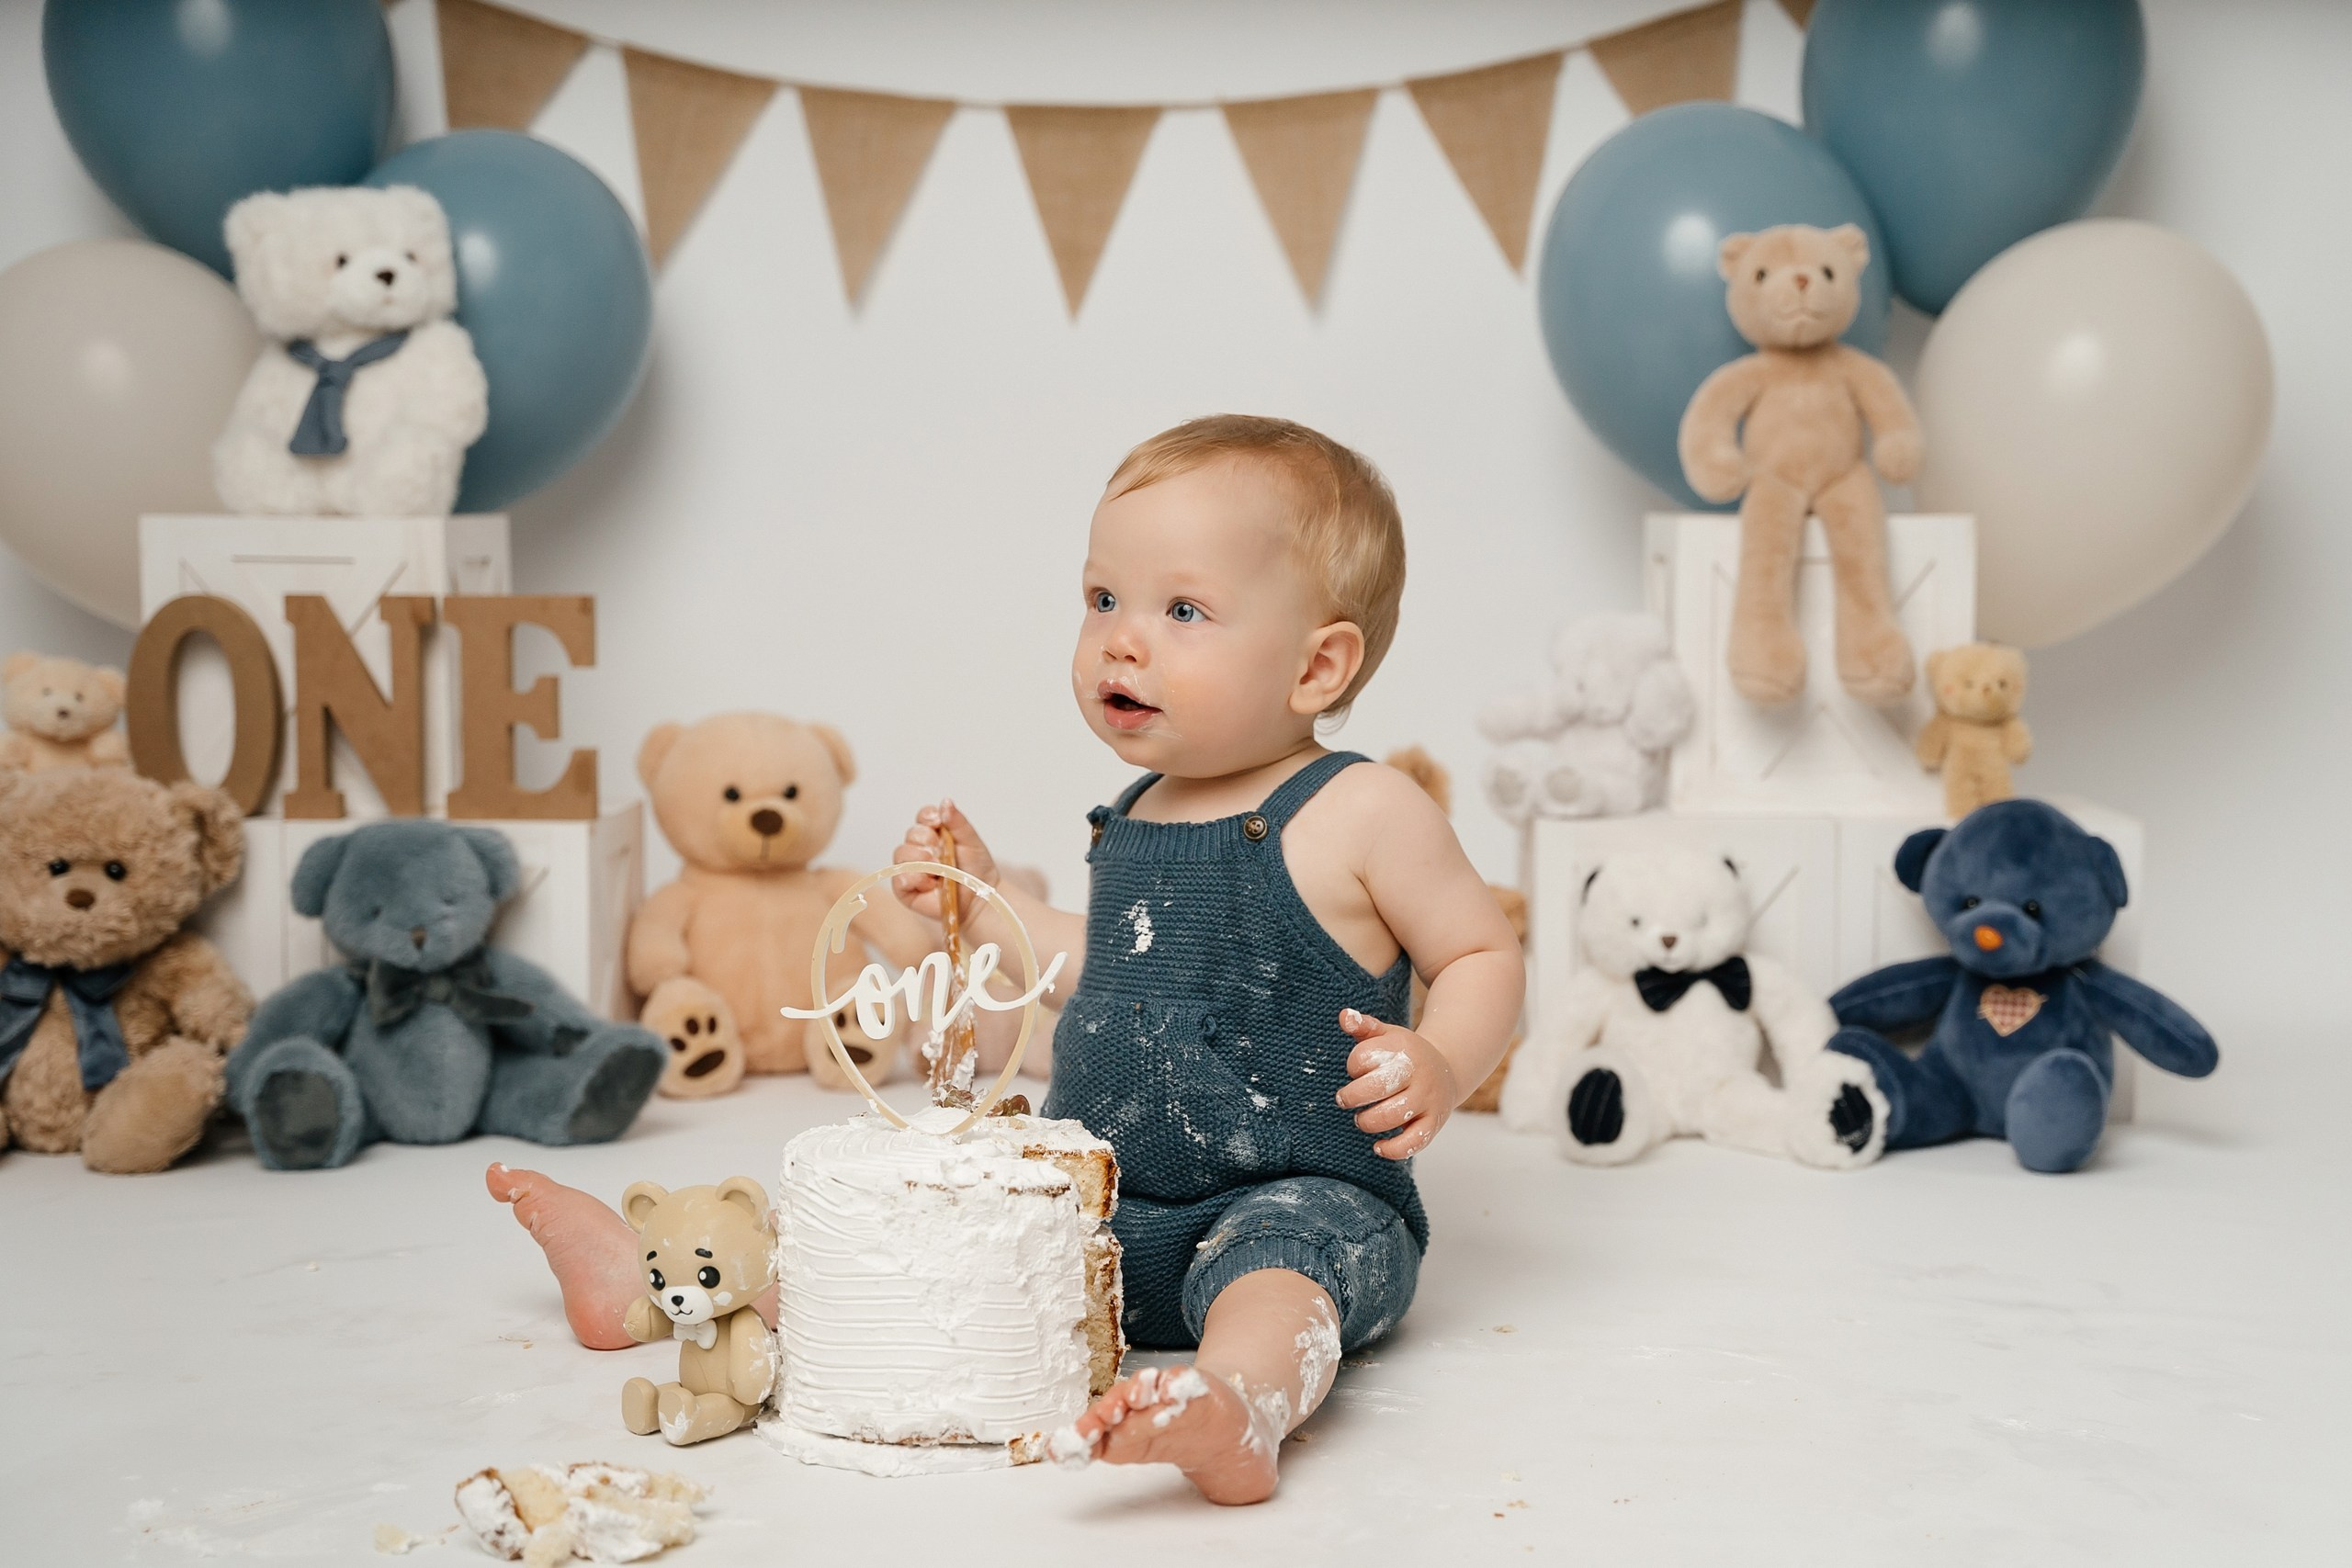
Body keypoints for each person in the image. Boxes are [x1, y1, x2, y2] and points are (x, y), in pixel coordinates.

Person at [889, 414, 1523, 1503]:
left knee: (1275, 1285)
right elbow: (1117, 975)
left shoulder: (1360, 808)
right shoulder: (1135, 811)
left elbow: (1480, 950)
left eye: (1182, 610)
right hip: (1112, 1201)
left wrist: (1444, 1062)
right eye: (1102, 601)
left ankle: (1235, 1402)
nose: (1120, 642)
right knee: (949, 1234)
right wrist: (984, 903)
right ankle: (735, 1296)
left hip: (1297, 1199)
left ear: (1318, 665)